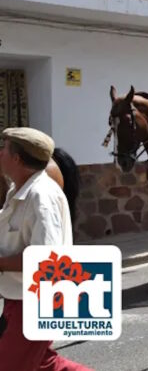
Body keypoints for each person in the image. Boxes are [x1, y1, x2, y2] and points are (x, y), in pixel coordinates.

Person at [0, 128, 92, 370]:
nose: (0, 154)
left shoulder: (42, 196)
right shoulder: (18, 191)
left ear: (17, 158)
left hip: (35, 302)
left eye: (4, 149)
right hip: (18, 297)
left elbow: (46, 259)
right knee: (45, 364)